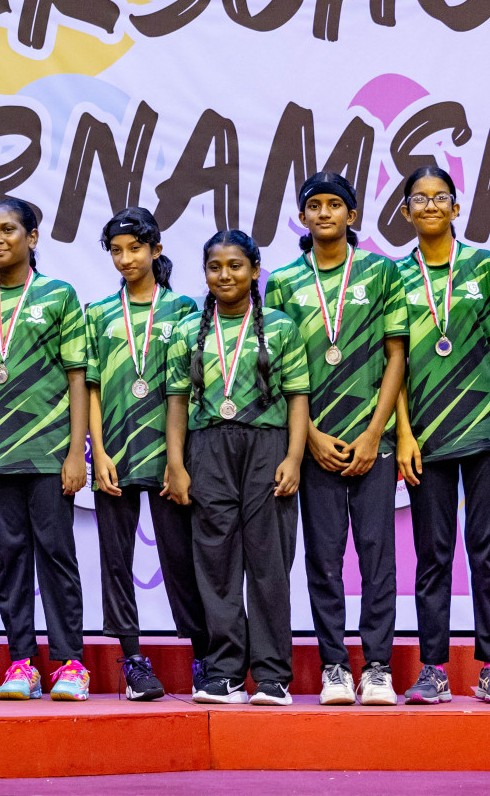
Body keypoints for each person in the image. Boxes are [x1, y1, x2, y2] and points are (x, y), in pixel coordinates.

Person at [263, 173, 406, 706]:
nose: (324, 214)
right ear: (302, 218)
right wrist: (311, 438)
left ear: (352, 215)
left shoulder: (381, 272)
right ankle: (333, 668)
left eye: (335, 205)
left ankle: (377, 668)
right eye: (314, 206)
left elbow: (397, 355)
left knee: (377, 559)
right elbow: (274, 371)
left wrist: (374, 433)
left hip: (376, 443)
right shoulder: (281, 282)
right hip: (314, 445)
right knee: (323, 561)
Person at [394, 164, 490, 705]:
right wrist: (403, 434)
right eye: (419, 198)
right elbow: (394, 362)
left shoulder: (485, 265)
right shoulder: (394, 278)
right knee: (433, 555)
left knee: (489, 551)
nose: (430, 205)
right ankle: (432, 669)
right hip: (426, 437)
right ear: (405, 212)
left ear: (456, 207)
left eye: (440, 197)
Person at [166, 231, 308, 706]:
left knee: (269, 564)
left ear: (254, 270)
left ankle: (272, 676)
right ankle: (224, 672)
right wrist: (176, 464)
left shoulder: (282, 327)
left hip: (267, 447)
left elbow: (297, 400)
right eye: (214, 267)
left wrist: (293, 456)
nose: (224, 275)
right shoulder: (189, 330)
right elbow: (177, 403)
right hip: (207, 450)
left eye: (235, 266)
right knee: (216, 564)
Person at [0, 198, 91, 702]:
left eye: (9, 230)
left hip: (47, 452)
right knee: (10, 559)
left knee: (57, 555)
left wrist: (74, 453)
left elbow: (78, 378)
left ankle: (70, 663)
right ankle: (22, 661)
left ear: (33, 237)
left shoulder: (59, 295)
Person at [84, 207, 207, 701]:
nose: (125, 258)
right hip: (115, 452)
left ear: (156, 250)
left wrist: (181, 462)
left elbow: (195, 389)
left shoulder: (186, 311)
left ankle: (204, 657)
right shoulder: (98, 314)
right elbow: (90, 388)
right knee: (116, 560)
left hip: (170, 458)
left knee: (182, 558)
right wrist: (99, 451)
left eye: (135, 248)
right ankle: (133, 660)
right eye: (116, 250)